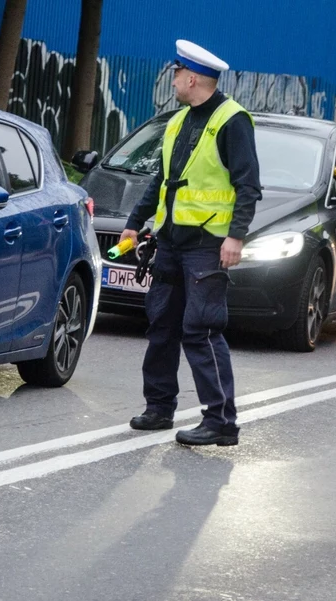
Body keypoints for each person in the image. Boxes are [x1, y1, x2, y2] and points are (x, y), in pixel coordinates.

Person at [121, 40, 261, 446]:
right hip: (171, 241)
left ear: (192, 78)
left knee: (200, 330)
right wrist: (134, 223)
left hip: (207, 245)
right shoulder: (179, 120)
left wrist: (236, 236)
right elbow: (162, 181)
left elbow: (247, 186)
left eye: (177, 73)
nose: (174, 80)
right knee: (162, 325)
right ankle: (158, 407)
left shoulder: (232, 121)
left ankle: (220, 422)